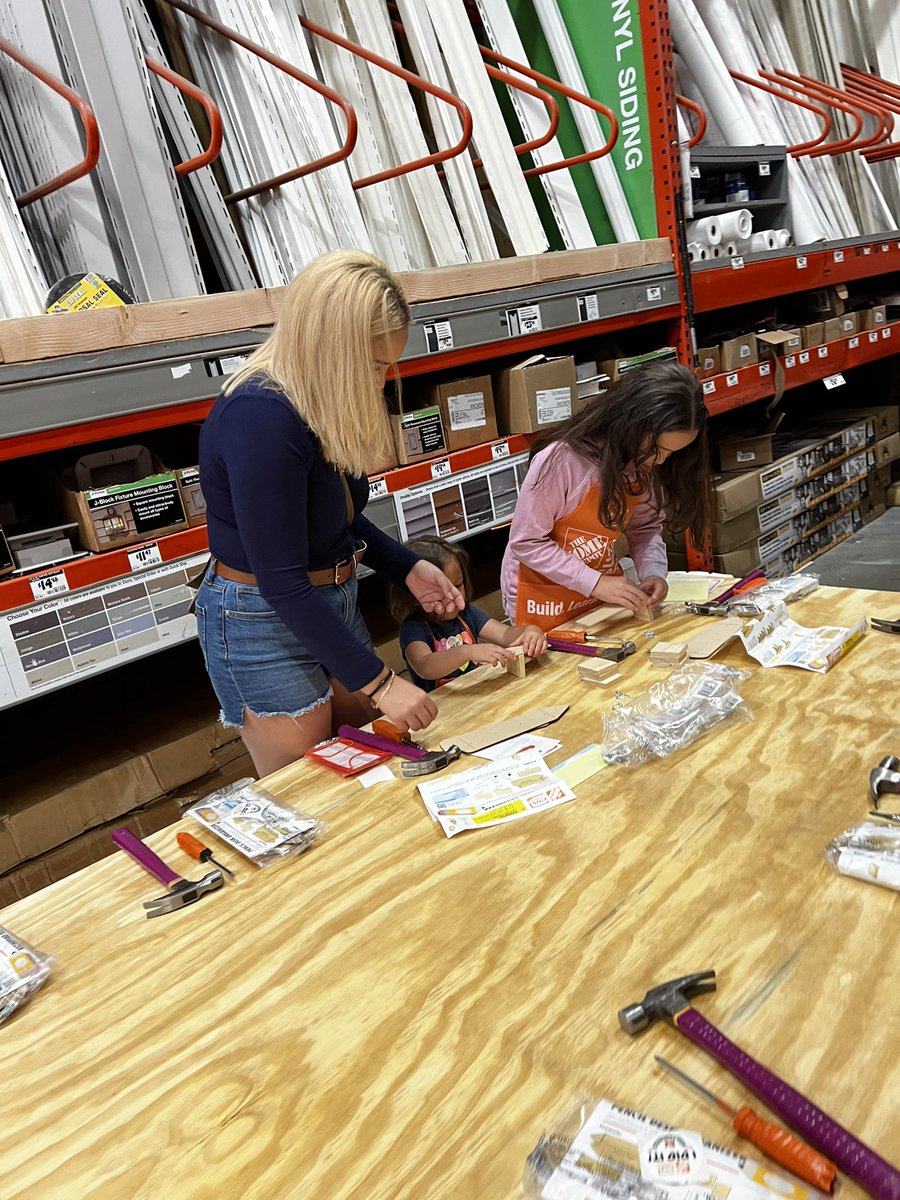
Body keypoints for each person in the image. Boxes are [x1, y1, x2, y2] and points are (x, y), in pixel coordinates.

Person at [195, 250, 464, 777]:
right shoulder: (261, 417)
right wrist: (383, 684)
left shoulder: (317, 399)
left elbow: (332, 517)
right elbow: (281, 579)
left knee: (367, 754)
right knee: (308, 785)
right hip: (260, 616)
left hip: (325, 600)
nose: (383, 379)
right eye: (372, 365)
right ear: (331, 350)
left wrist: (405, 566)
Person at [501, 361, 710, 631]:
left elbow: (645, 530)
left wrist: (653, 572)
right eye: (658, 449)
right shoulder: (562, 461)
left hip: (596, 592)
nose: (660, 462)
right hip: (540, 597)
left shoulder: (643, 463)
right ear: (631, 424)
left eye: (672, 454)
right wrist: (595, 582)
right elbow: (526, 542)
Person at [393, 536, 548, 692]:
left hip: (476, 695)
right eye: (441, 591)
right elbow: (424, 666)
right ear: (414, 593)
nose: (454, 595)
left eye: (458, 585)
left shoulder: (466, 613)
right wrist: (468, 652)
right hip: (444, 709)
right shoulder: (413, 627)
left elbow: (505, 634)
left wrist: (529, 632)